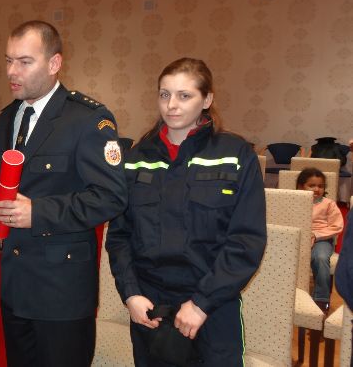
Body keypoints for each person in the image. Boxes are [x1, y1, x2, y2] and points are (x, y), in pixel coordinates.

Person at [0, 20, 127, 366]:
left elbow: (111, 196)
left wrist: (39, 212)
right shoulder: (7, 118)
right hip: (15, 282)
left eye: (24, 61)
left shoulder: (87, 119)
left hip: (62, 289)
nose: (11, 71)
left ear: (54, 63)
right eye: (8, 60)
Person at [106, 57, 266, 367]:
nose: (171, 105)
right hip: (150, 307)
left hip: (212, 307)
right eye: (164, 94)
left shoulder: (235, 155)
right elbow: (119, 236)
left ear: (207, 100)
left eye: (184, 95)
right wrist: (131, 294)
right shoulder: (137, 157)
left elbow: (246, 240)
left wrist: (201, 304)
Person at [296, 167, 343, 313]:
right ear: (301, 186)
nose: (317, 189)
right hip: (298, 238)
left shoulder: (328, 203)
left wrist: (316, 235)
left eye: (320, 186)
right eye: (312, 185)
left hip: (322, 239)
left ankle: (321, 300)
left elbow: (337, 226)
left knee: (321, 258)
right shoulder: (295, 201)